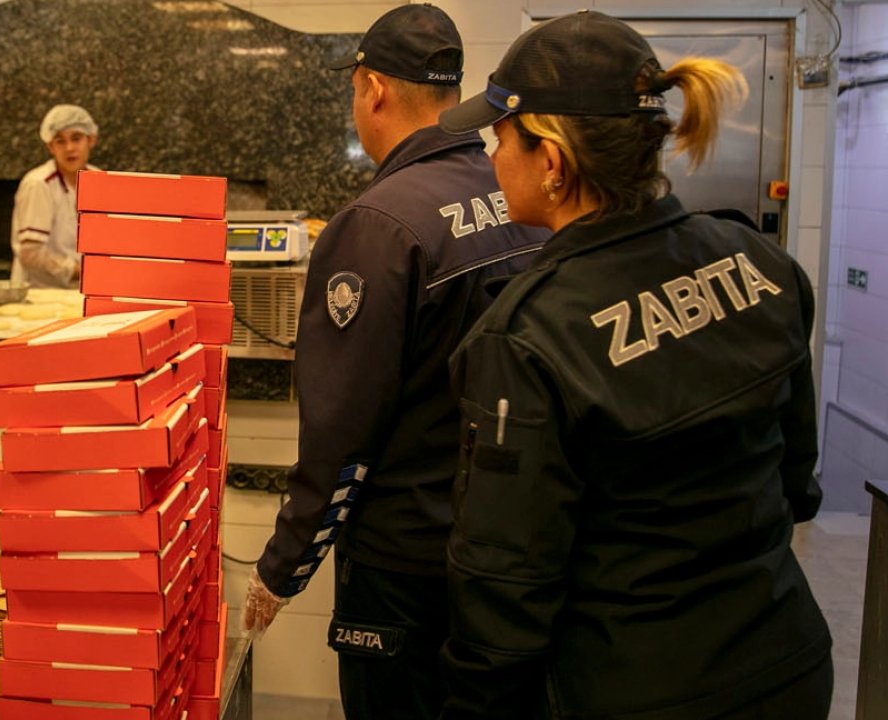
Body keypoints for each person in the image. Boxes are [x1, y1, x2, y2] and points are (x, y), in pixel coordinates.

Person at [436, 10, 832, 719]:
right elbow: (796, 482)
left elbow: (504, 593)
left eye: (501, 137)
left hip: (631, 691)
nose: (494, 157)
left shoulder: (528, 337)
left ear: (551, 161)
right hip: (784, 663)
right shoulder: (763, 263)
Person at [239, 6, 548, 719]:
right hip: (502, 546)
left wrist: (282, 567)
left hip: (403, 567)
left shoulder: (376, 226)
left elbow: (341, 434)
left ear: (373, 89)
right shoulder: (519, 191)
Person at [10, 104, 99, 288]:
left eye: (76, 138)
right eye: (60, 141)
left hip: (83, 291)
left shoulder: (100, 180)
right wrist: (80, 271)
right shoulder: (38, 184)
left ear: (91, 140)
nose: (69, 148)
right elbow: (31, 254)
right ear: (50, 146)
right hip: (39, 294)